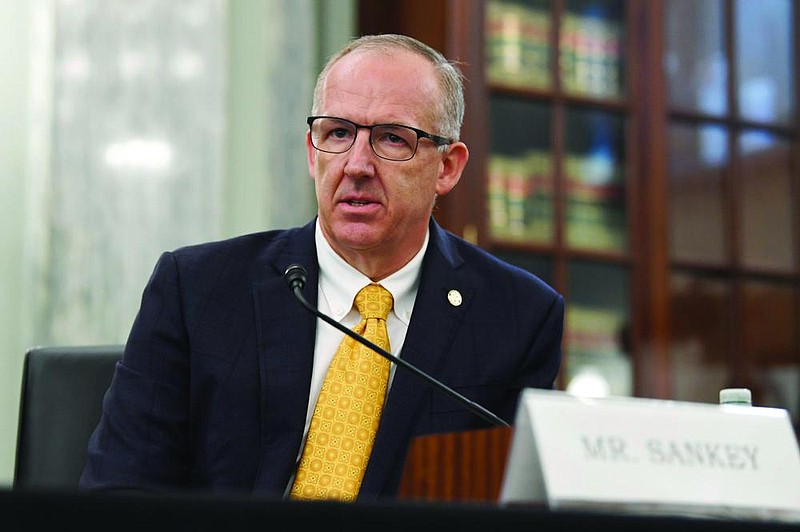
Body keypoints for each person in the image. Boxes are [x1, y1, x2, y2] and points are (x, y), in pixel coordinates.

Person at [80, 33, 564, 501]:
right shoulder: (198, 289)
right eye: (338, 133)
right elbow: (122, 491)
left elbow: (508, 508)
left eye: (393, 139)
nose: (356, 164)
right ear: (313, 153)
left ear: (448, 167)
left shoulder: (517, 317)